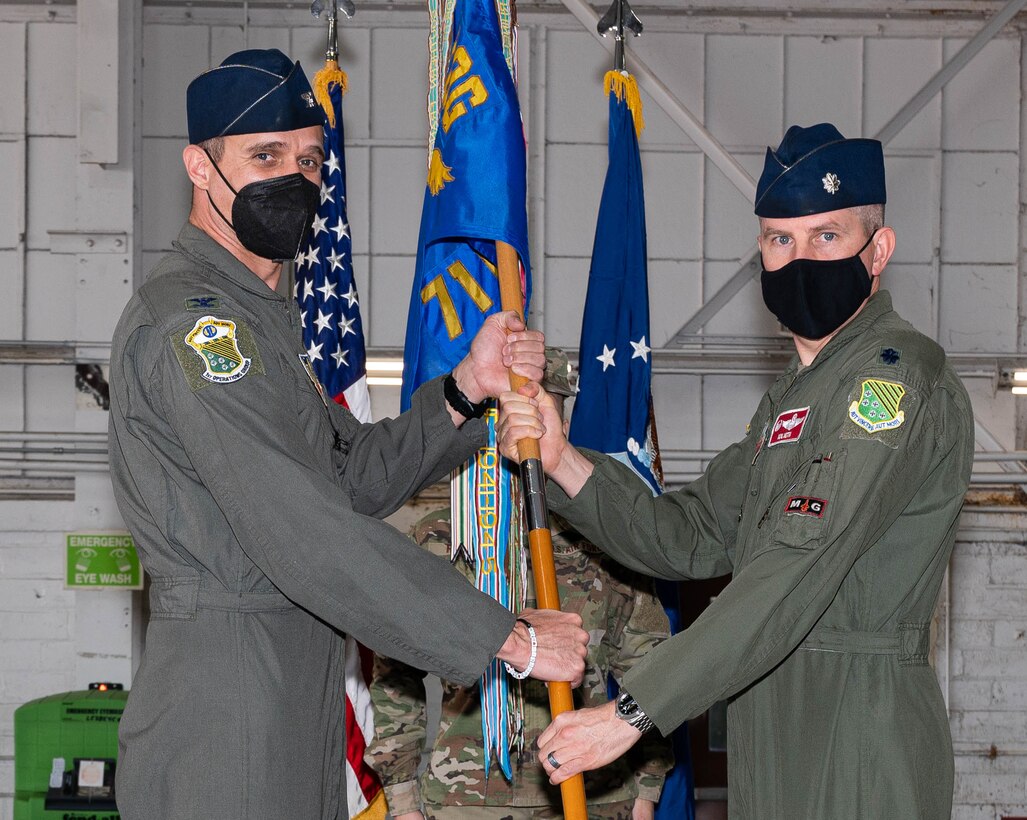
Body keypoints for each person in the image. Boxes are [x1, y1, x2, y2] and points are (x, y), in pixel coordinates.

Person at [107, 49, 588, 820]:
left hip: (289, 690)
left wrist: (466, 391)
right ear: (200, 167)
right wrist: (507, 639)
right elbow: (302, 526)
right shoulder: (196, 329)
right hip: (227, 703)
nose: (293, 179)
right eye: (264, 156)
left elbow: (348, 475)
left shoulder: (260, 321)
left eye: (308, 159)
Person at [498, 123, 974, 820]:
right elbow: (685, 536)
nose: (800, 258)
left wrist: (630, 713)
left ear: (879, 251)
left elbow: (794, 563)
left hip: (855, 729)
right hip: (768, 717)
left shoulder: (891, 381)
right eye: (781, 240)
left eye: (827, 237)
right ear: (759, 250)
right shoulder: (794, 398)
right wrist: (562, 458)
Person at [366, 349, 673, 820]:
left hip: (594, 794)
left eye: (544, 410)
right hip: (468, 799)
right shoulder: (441, 535)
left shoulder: (607, 527)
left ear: (563, 419)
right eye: (510, 413)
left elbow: (650, 664)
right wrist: (403, 799)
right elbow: (395, 675)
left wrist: (646, 791)